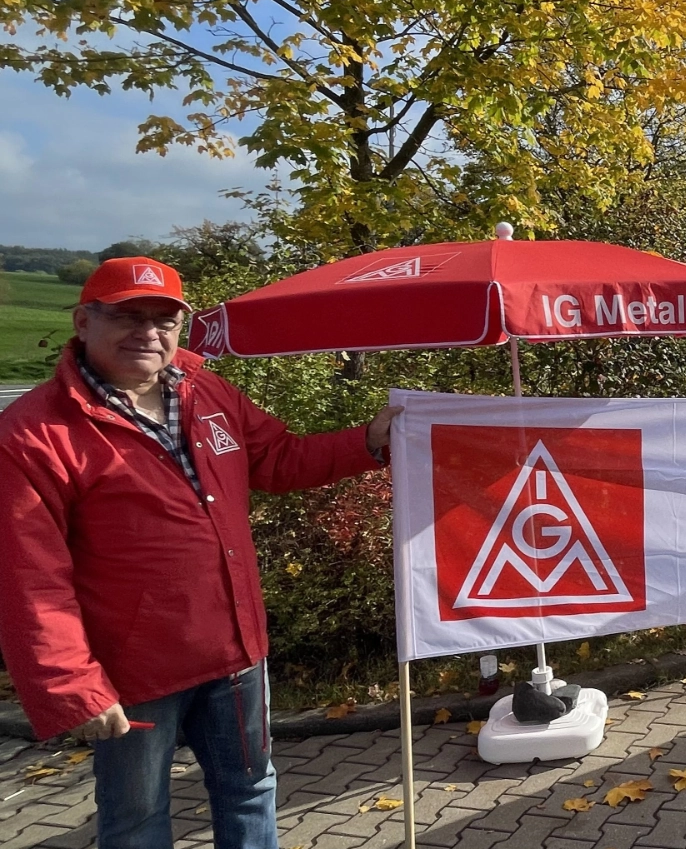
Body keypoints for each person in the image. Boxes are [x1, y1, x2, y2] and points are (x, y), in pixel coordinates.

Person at [0, 257, 402, 849]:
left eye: (165, 318)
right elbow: (30, 576)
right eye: (128, 316)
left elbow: (276, 458)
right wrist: (72, 686)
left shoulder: (203, 389)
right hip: (132, 672)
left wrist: (366, 441)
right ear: (84, 321)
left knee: (251, 791)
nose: (149, 331)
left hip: (237, 650)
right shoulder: (34, 432)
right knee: (136, 817)